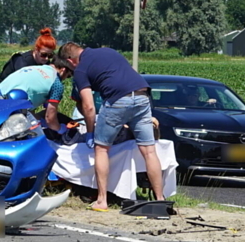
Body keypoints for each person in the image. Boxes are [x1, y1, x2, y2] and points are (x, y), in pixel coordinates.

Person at [58, 42, 165, 211]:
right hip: (142, 94)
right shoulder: (108, 51)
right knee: (149, 150)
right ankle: (160, 199)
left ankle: (102, 200)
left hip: (117, 99)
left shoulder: (80, 69)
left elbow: (89, 106)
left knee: (101, 149)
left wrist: (90, 132)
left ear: (70, 60)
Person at [0, 57, 74, 133]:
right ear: (63, 70)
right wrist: (60, 129)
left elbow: (29, 107)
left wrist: (39, 120)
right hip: (8, 110)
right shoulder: (57, 84)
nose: (65, 79)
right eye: (68, 76)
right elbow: (50, 119)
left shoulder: (34, 67)